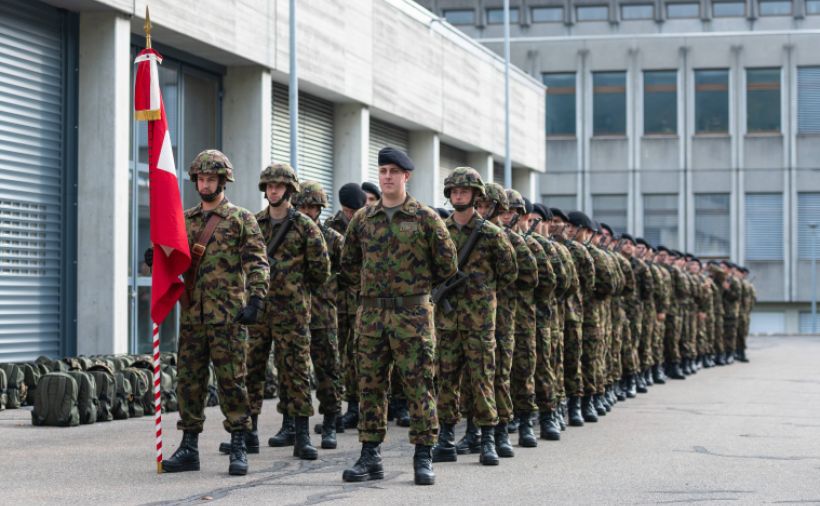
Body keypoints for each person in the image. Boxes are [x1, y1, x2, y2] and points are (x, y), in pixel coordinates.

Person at [340, 147, 457, 486]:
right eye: (383, 171)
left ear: (407, 176)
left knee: (419, 385)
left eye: (393, 171)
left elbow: (447, 265)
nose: (387, 176)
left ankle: (423, 455)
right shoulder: (364, 218)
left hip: (412, 315)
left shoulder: (424, 217)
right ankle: (370, 455)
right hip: (372, 314)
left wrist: (415, 290)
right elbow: (348, 264)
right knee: (370, 387)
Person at [157, 149, 269, 476]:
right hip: (193, 315)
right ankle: (189, 447)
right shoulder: (184, 219)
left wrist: (256, 300)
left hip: (228, 316)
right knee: (189, 382)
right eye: (201, 179)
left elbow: (258, 263)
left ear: (223, 181)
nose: (205, 184)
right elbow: (174, 259)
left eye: (211, 179)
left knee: (232, 381)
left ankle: (238, 444)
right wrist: (157, 259)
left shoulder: (241, 219)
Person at [431, 167, 516, 466]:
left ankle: (487, 439)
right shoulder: (440, 230)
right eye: (454, 191)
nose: (458, 195)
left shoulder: (492, 235)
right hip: (447, 319)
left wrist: (484, 294)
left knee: (482, 379)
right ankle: (445, 438)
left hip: (480, 321)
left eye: (464, 191)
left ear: (476, 195)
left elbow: (508, 274)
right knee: (446, 379)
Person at [249, 163, 330, 461]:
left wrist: (297, 288)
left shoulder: (305, 227)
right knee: (251, 370)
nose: (273, 190)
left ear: (289, 190)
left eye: (279, 186)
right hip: (259, 309)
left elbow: (321, 270)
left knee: (295, 372)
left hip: (293, 312)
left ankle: (302, 435)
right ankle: (248, 432)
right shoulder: (255, 224)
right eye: (269, 186)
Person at [294, 180, 344, 449]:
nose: (307, 211)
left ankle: (330, 424)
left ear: (321, 209)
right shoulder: (287, 235)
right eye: (303, 206)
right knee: (294, 371)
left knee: (327, 370)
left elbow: (350, 270)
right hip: (292, 313)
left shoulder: (333, 239)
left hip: (323, 313)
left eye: (313, 207)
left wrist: (332, 288)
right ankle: (291, 424)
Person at [326, 183, 367, 430]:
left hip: (361, 301)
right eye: (349, 210)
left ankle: (355, 407)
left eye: (356, 209)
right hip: (335, 302)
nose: (352, 214)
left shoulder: (367, 223)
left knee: (358, 357)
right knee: (335, 356)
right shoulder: (330, 228)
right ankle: (334, 411)